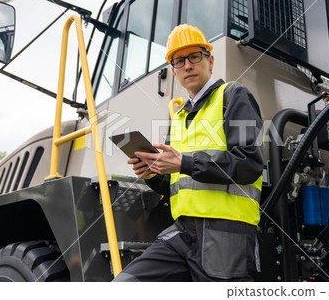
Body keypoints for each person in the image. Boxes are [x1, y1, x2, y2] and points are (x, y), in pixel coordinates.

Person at [113, 24, 264, 282]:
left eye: (195, 56)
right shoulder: (180, 115)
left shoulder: (233, 95)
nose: (187, 66)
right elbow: (176, 180)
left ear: (210, 60)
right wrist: (151, 173)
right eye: (179, 61)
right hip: (182, 233)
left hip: (224, 232)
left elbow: (249, 164)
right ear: (173, 70)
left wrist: (183, 162)